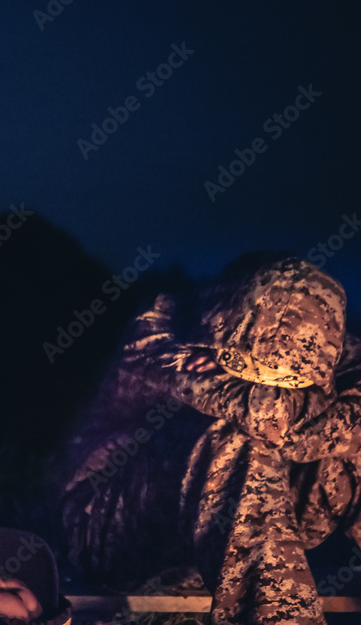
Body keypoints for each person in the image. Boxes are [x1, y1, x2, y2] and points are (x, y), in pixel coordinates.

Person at [62, 254, 361, 624]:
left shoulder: (323, 340)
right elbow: (272, 418)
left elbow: (328, 423)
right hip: (112, 529)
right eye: (258, 373)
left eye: (285, 382)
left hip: (230, 532)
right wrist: (301, 405)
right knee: (234, 436)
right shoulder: (159, 330)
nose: (270, 386)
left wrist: (285, 404)